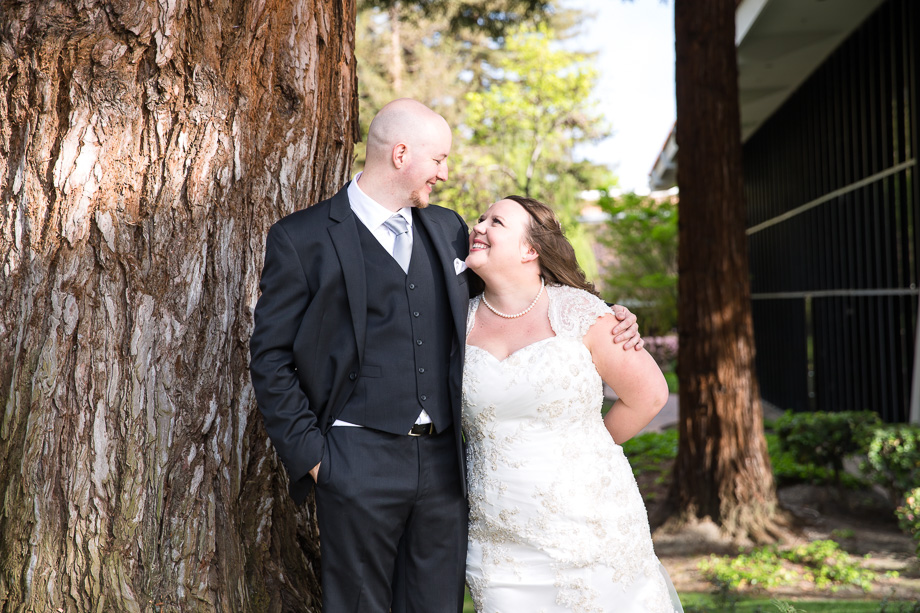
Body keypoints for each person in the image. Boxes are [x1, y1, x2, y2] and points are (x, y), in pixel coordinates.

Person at [249, 98, 643, 613]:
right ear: (401, 154)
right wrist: (316, 458)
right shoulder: (302, 238)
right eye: (438, 160)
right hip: (353, 460)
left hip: (446, 466)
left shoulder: (449, 229)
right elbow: (270, 356)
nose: (445, 173)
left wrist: (604, 311)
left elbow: (521, 286)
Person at [462, 195, 684, 612]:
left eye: (497, 222)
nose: (479, 226)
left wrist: (585, 451)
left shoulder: (580, 312)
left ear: (531, 250)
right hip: (499, 541)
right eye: (480, 218)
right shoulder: (456, 321)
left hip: (592, 524)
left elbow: (648, 396)